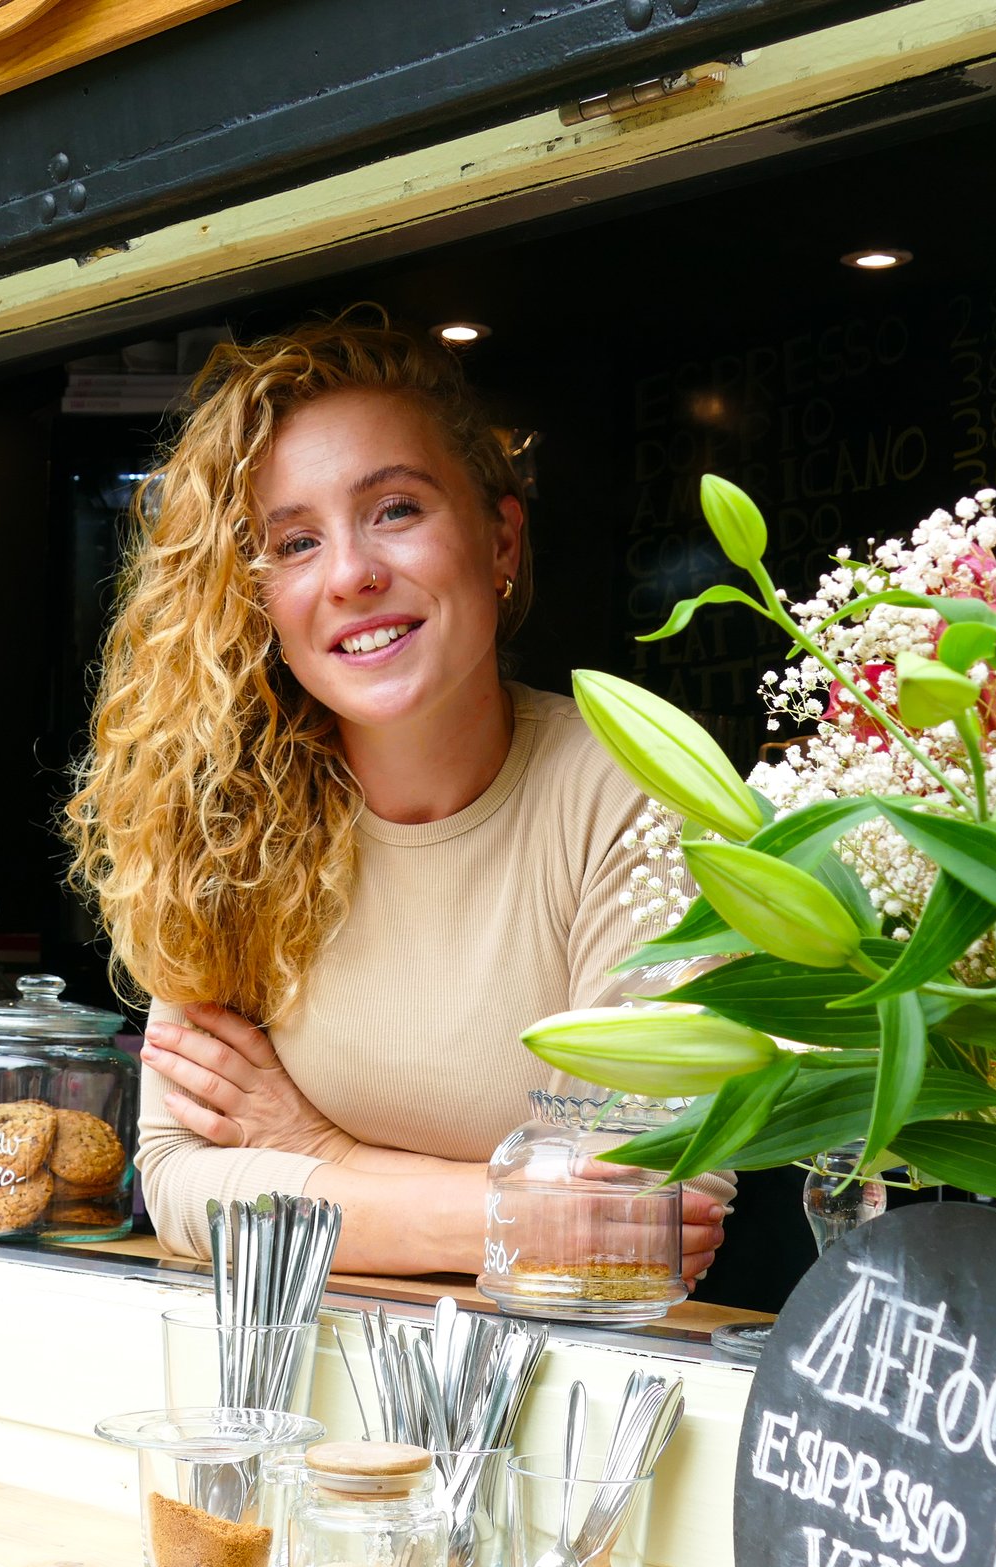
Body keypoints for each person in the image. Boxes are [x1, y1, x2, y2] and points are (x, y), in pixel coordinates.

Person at [63, 316, 732, 1276]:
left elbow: (639, 1226)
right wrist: (506, 1210)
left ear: (501, 538)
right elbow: (175, 1184)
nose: (351, 574)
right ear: (253, 600)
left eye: (396, 510)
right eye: (293, 542)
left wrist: (317, 1153)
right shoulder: (225, 815)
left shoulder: (631, 795)